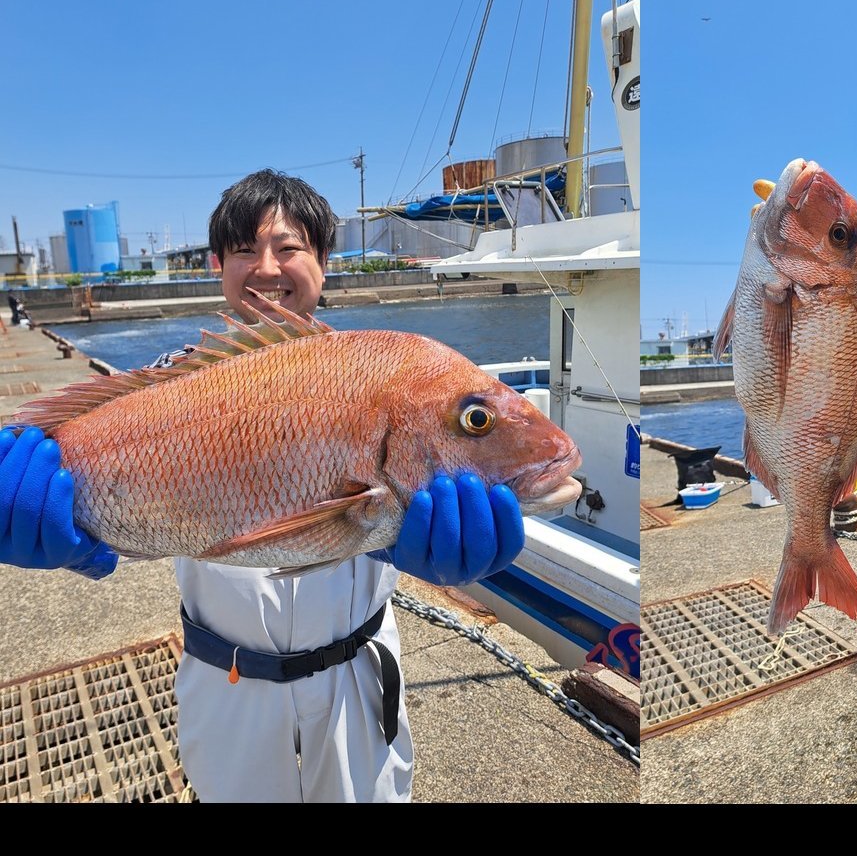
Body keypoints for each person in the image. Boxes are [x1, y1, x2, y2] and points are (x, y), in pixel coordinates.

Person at [0, 169, 526, 803]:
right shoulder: (172, 384)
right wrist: (69, 535)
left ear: (325, 262)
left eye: (290, 247)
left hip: (358, 689)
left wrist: (421, 544)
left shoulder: (377, 369)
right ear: (218, 265)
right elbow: (97, 476)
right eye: (246, 250)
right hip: (226, 686)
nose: (268, 268)